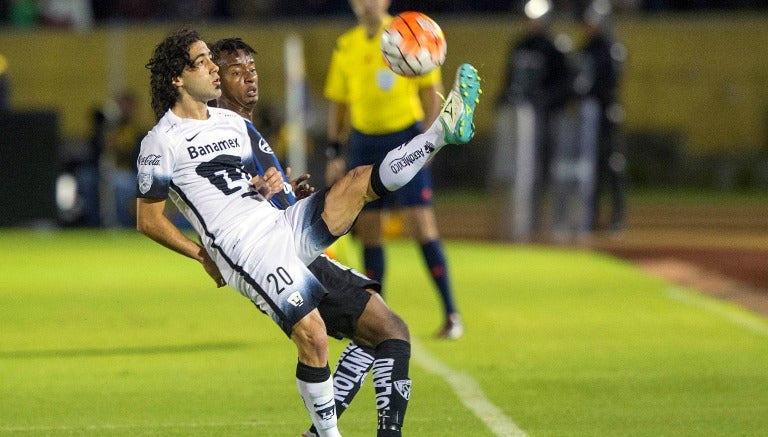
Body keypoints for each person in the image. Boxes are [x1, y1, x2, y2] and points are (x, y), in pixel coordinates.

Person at [135, 27, 481, 437]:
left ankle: (441, 132)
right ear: (178, 77)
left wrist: (272, 185)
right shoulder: (160, 142)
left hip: (280, 223)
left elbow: (258, 178)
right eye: (203, 62)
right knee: (314, 335)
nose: (213, 68)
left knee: (356, 182)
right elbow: (148, 219)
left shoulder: (231, 122)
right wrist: (200, 254)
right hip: (246, 247)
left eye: (213, 60)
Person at [209, 36, 410, 437]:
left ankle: (319, 433)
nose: (250, 78)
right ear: (216, 82)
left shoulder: (245, 128)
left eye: (252, 69)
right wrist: (259, 191)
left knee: (373, 330)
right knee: (389, 330)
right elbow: (223, 192)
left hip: (288, 247)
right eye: (236, 72)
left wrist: (286, 193)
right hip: (284, 257)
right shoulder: (224, 130)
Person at [324, 0, 464, 339]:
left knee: (422, 225)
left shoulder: (407, 32)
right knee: (371, 232)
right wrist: (334, 151)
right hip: (363, 143)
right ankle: (379, 320)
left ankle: (451, 314)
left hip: (405, 136)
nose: (368, 4)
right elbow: (339, 104)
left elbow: (430, 92)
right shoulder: (345, 45)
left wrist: (428, 140)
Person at [495, 0, 572, 242]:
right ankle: (517, 218)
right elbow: (510, 81)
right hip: (518, 123)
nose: (528, 24)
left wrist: (545, 100)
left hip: (546, 121)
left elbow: (565, 85)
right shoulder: (518, 46)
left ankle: (546, 220)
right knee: (517, 171)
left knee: (546, 170)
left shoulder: (554, 48)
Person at [574, 0, 627, 234]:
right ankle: (591, 214)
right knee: (591, 168)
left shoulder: (611, 49)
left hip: (606, 114)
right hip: (588, 117)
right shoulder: (586, 48)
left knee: (612, 164)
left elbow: (609, 83)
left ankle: (617, 216)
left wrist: (590, 92)